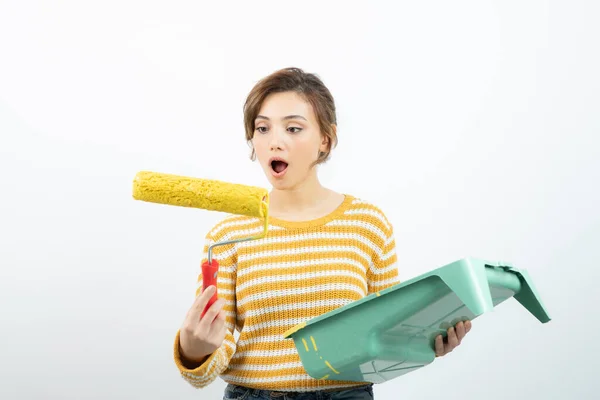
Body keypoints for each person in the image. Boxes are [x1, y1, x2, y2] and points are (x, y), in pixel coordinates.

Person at [173, 67, 472, 399]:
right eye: (262, 128)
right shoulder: (228, 234)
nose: (275, 141)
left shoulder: (368, 224)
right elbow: (209, 363)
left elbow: (386, 337)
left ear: (325, 140)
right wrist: (194, 349)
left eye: (293, 128)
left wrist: (424, 342)